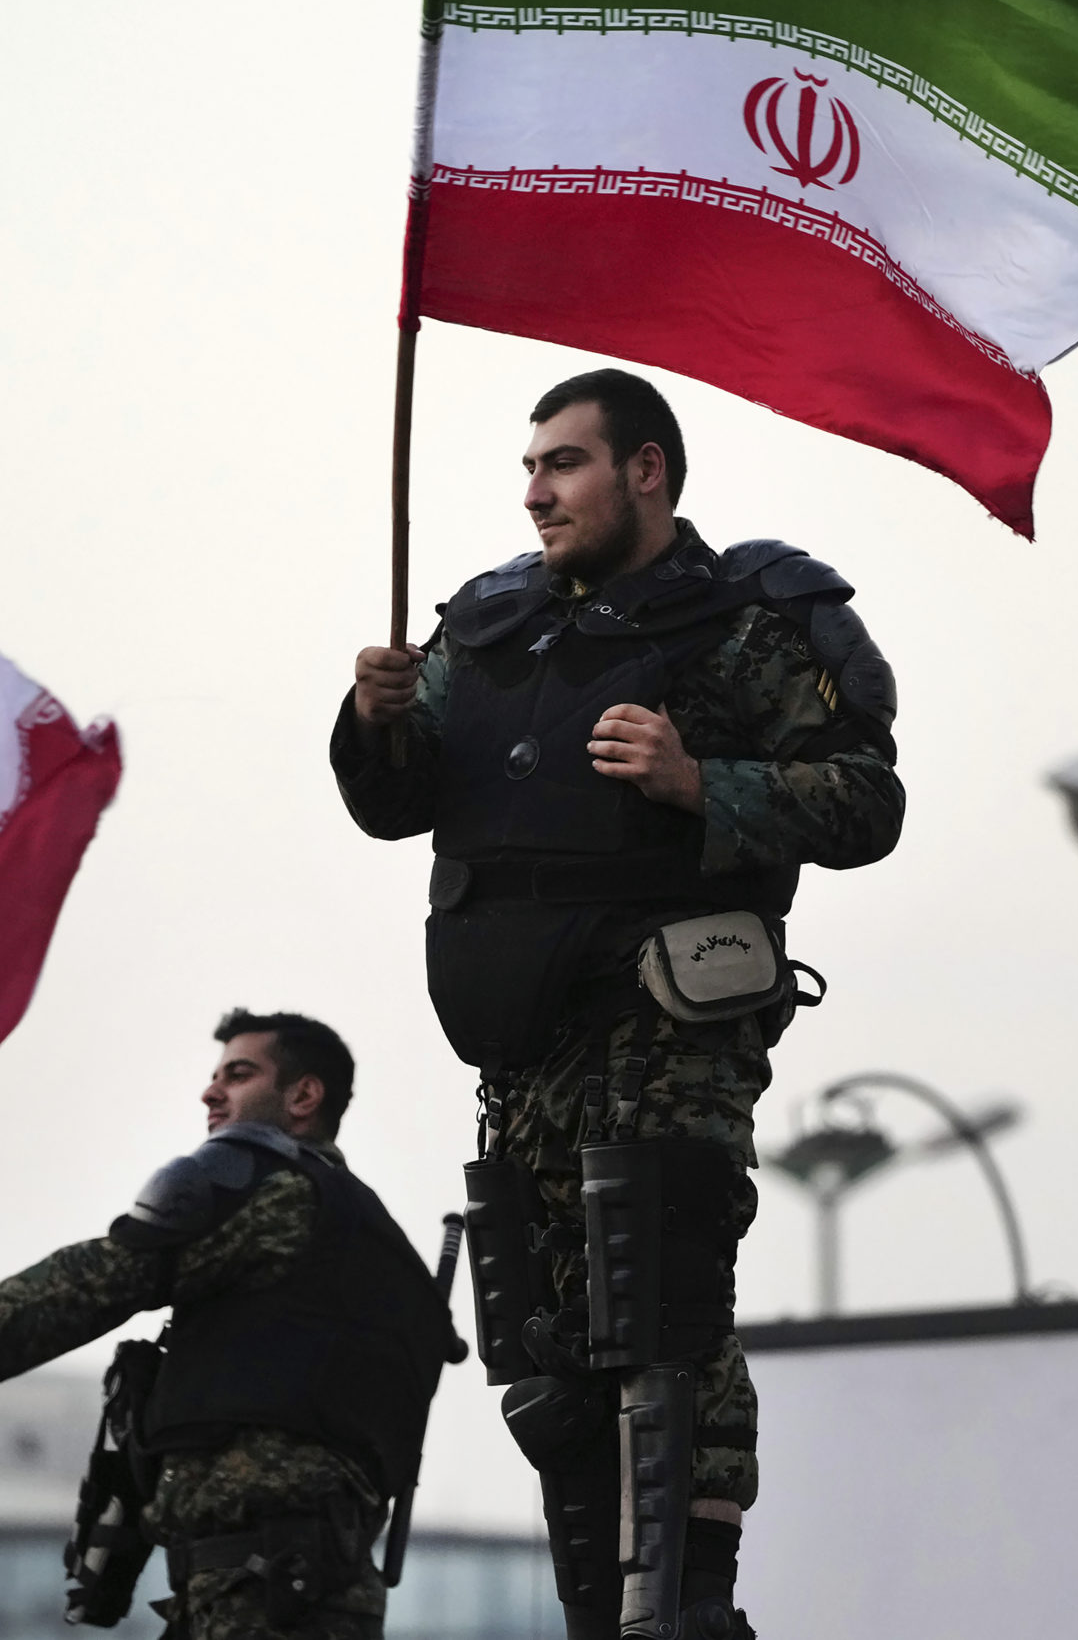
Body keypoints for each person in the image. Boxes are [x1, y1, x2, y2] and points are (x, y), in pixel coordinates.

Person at [330, 369, 906, 1640]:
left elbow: (867, 804)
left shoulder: (742, 622)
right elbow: (394, 803)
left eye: (564, 465)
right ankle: (601, 1613)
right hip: (519, 1046)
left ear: (645, 471)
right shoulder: (489, 629)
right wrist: (374, 724)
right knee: (543, 1349)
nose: (536, 493)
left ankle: (689, 1610)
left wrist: (702, 780)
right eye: (529, 470)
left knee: (661, 1308)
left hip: (664, 1028)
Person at [0, 1011, 454, 1640]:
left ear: (303, 1094)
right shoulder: (374, 1242)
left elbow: (90, 1282)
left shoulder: (275, 1192)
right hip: (311, 1580)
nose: (211, 1089)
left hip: (262, 1585)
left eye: (239, 1072)